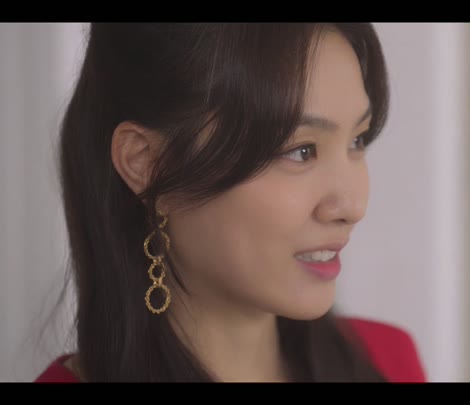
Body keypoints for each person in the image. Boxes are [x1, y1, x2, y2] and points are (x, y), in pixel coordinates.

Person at [33, 23, 425, 383]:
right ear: (145, 163)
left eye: (357, 140)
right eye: (301, 150)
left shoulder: (388, 361)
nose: (352, 207)